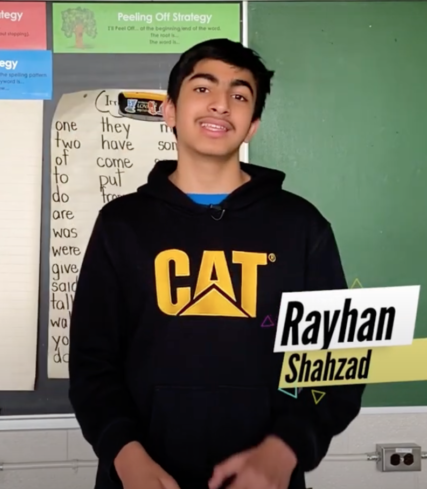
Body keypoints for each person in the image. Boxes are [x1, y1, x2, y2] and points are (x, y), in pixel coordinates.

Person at [68, 38, 366, 489]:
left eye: (240, 95)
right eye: (203, 89)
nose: (222, 104)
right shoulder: (121, 224)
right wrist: (124, 456)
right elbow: (92, 363)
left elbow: (337, 361)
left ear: (253, 126)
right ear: (169, 110)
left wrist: (286, 448)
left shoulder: (301, 226)